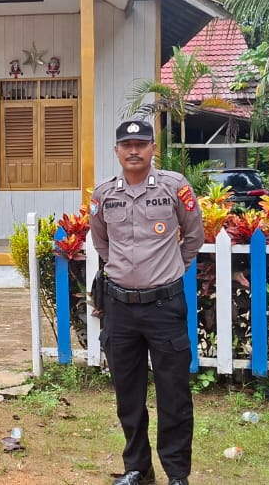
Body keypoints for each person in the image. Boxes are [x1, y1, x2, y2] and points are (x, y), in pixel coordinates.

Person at [89, 119, 204, 485]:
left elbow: (194, 235)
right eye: (127, 145)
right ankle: (137, 469)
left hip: (163, 307)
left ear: (153, 148)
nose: (134, 150)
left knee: (174, 394)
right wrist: (124, 270)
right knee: (128, 395)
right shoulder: (104, 193)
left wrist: (171, 270)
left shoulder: (174, 186)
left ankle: (177, 474)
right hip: (120, 309)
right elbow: (101, 241)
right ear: (117, 151)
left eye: (141, 143)